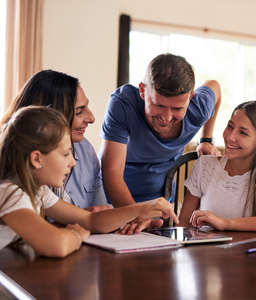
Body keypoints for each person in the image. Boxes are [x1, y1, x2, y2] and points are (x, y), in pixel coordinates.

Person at [0, 106, 178, 257]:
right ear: (37, 159)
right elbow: (58, 245)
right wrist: (75, 234)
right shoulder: (11, 194)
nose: (73, 162)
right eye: (65, 154)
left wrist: (142, 208)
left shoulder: (38, 191)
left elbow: (91, 220)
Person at [100, 53, 221, 233]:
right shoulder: (123, 104)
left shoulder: (198, 109)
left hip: (159, 205)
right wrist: (138, 216)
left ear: (190, 97)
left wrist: (206, 140)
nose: (166, 117)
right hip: (113, 204)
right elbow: (111, 172)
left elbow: (215, 87)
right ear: (143, 90)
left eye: (177, 108)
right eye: (159, 105)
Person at [179, 101, 256, 231]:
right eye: (230, 126)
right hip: (206, 250)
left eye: (243, 132)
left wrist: (224, 223)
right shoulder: (205, 166)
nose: (230, 137)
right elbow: (183, 224)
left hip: (249, 250)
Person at [1, 70, 109, 212]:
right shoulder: (12, 193)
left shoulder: (85, 149)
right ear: (49, 117)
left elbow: (97, 214)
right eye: (78, 111)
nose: (92, 118)